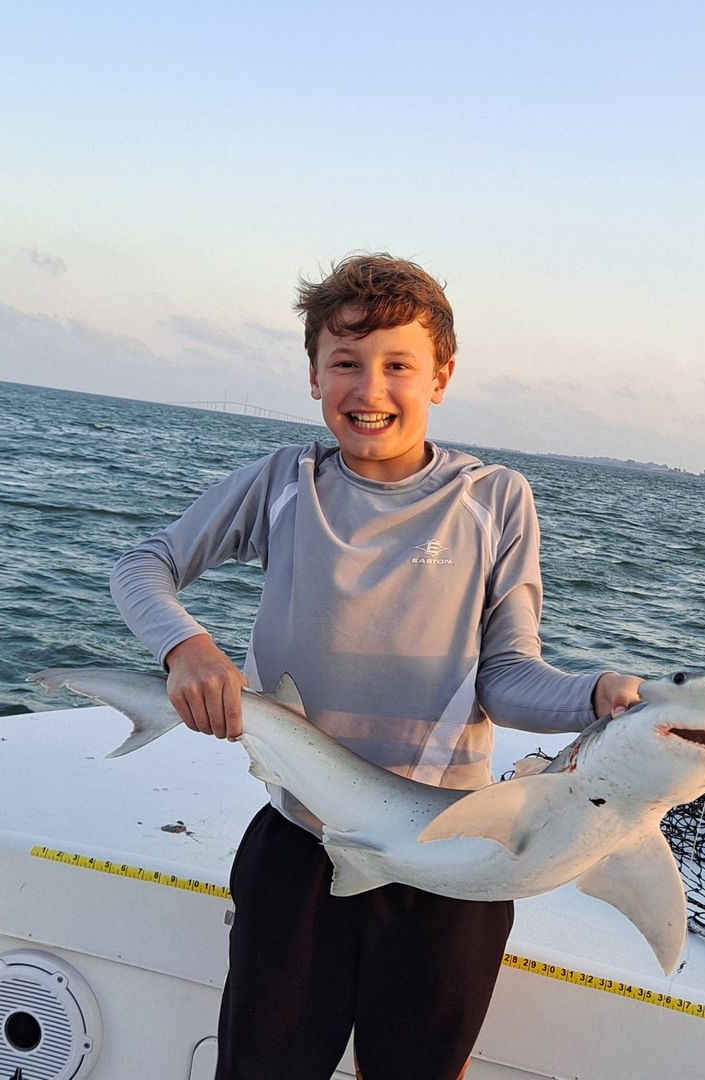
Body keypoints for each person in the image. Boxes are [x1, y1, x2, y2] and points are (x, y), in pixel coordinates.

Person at [110, 253, 643, 1080]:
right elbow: (144, 565)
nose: (369, 391)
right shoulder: (282, 485)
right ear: (313, 373)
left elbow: (504, 674)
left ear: (443, 376)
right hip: (300, 840)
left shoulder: (494, 499)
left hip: (450, 853)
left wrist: (591, 699)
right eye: (345, 365)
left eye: (399, 365)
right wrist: (188, 648)